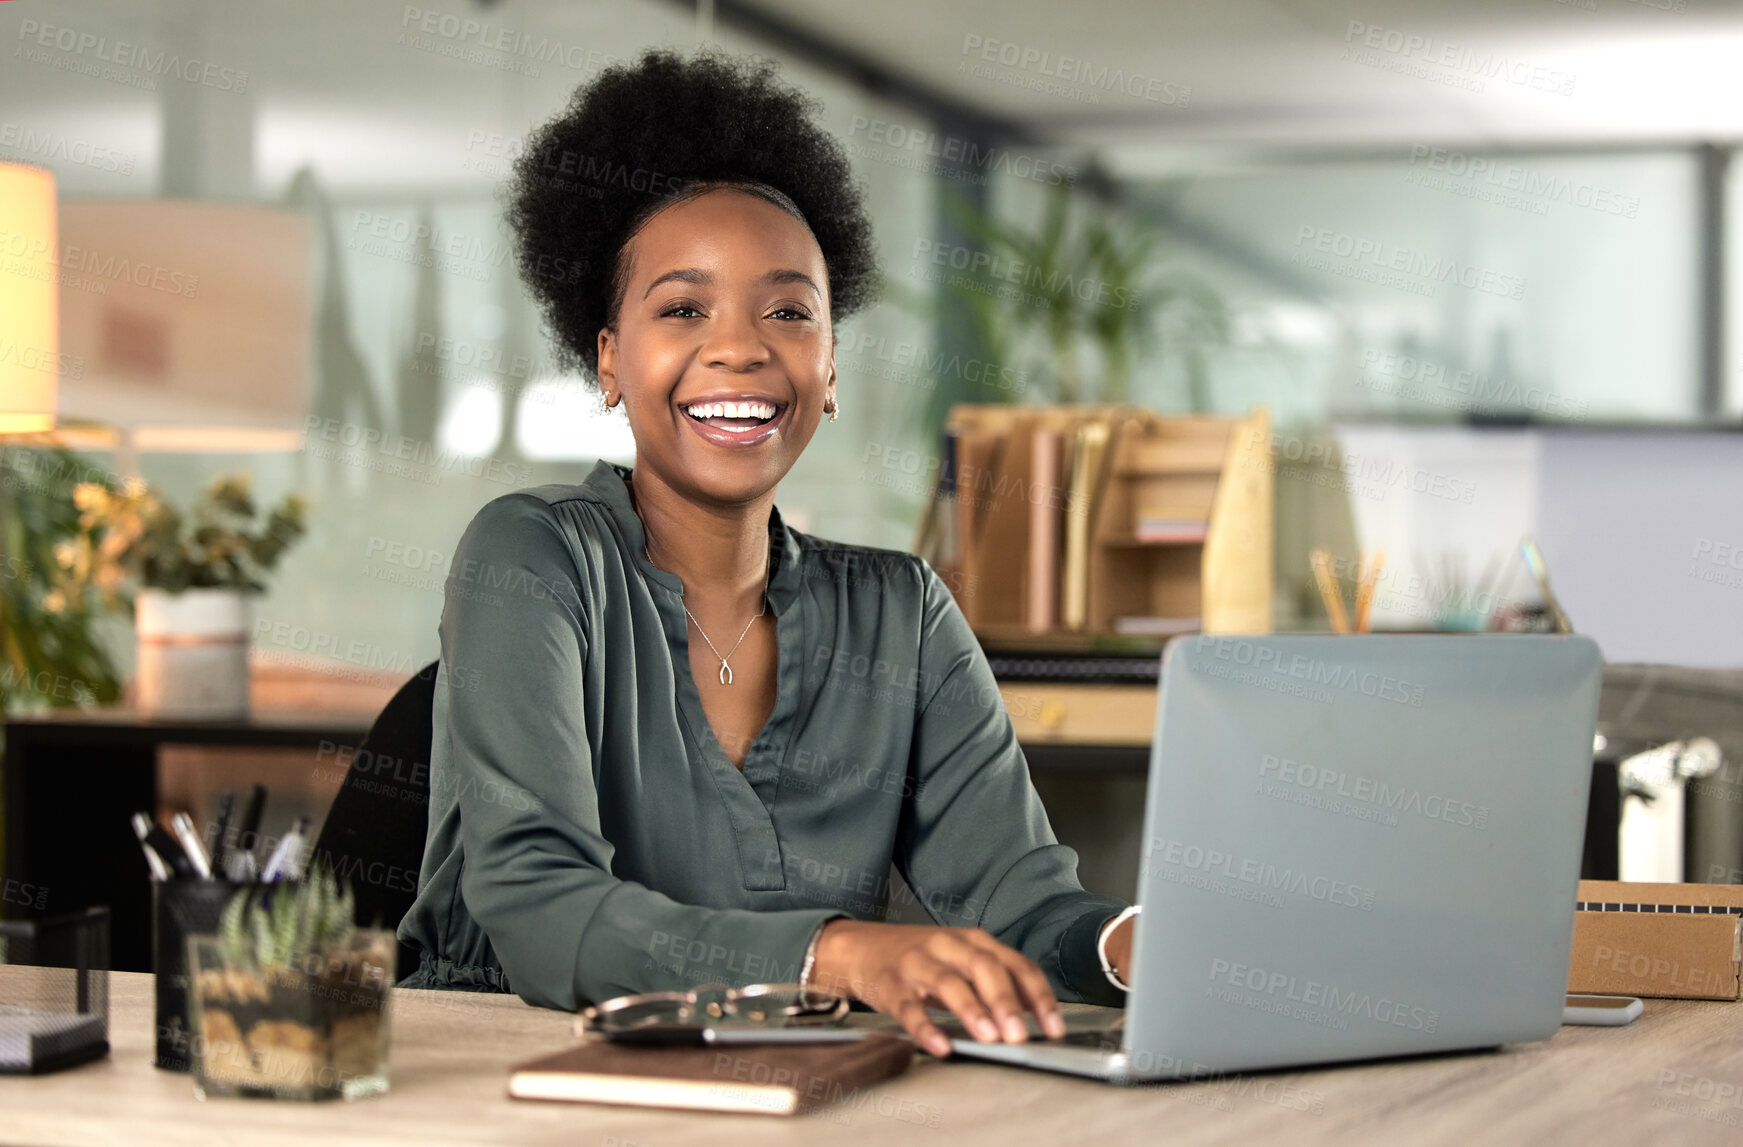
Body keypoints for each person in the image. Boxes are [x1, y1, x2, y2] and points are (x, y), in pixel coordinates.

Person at [397, 45, 1137, 1059]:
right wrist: (837, 954)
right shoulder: (534, 559)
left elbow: (1022, 899)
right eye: (683, 308)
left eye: (788, 310)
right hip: (509, 1078)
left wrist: (1131, 943)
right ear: (608, 358)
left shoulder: (903, 615)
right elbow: (539, 906)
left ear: (830, 367)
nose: (741, 346)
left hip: (789, 1087)